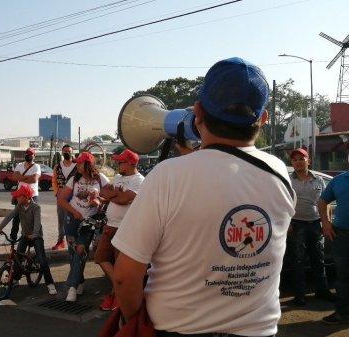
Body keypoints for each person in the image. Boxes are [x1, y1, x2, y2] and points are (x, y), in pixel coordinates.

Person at [112, 57, 295, 336]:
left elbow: (126, 276)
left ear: (197, 112)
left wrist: (132, 319)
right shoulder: (280, 173)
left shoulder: (167, 176)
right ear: (263, 117)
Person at [57, 151, 109, 302]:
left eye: (79, 162)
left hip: (89, 222)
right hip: (72, 221)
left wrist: (98, 201)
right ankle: (79, 282)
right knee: (74, 253)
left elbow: (108, 198)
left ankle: (71, 287)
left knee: (81, 250)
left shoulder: (101, 179)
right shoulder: (74, 179)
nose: (77, 164)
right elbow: (61, 200)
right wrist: (73, 212)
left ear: (87, 165)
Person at [96, 149, 144, 311]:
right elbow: (103, 192)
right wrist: (114, 194)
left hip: (124, 228)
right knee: (101, 258)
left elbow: (123, 200)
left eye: (121, 162)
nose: (118, 164)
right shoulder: (117, 177)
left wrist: (113, 194)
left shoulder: (139, 180)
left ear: (131, 163)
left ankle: (116, 296)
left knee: (118, 264)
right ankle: (118, 290)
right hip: (110, 225)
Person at [288, 148, 335, 307]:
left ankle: (322, 291)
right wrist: (287, 224)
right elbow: (283, 204)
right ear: (292, 163)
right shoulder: (288, 180)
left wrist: (325, 221)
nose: (298, 162)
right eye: (295, 160)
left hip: (316, 224)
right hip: (297, 225)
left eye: (302, 159)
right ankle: (299, 296)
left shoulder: (319, 180)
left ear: (309, 161)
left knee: (318, 259)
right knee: (298, 261)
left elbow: (325, 203)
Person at [0, 184, 57, 295]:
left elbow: (38, 222)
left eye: (19, 196)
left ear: (26, 197)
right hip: (25, 235)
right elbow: (10, 216)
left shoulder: (36, 207)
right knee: (18, 256)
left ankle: (50, 284)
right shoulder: (19, 206)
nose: (17, 198)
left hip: (36, 236)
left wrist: (35, 234)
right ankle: (15, 279)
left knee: (42, 260)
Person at [319, 155, 349, 324]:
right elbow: (323, 201)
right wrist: (325, 222)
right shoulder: (338, 180)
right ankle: (342, 312)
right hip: (342, 236)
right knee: (343, 277)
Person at [10, 148, 41, 240]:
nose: (28, 156)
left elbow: (34, 179)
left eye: (31, 154)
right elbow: (15, 177)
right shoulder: (19, 165)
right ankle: (13, 236)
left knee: (32, 218)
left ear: (34, 156)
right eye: (27, 154)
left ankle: (32, 236)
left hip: (32, 196)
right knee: (16, 217)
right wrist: (28, 177)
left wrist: (21, 177)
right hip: (20, 196)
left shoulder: (36, 166)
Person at [51, 144, 77, 250]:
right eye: (65, 151)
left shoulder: (77, 165)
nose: (67, 153)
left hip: (74, 197)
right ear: (62, 152)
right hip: (61, 198)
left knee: (72, 219)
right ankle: (60, 241)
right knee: (61, 220)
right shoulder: (58, 166)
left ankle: (73, 241)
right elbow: (54, 180)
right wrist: (57, 193)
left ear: (72, 152)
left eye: (69, 151)